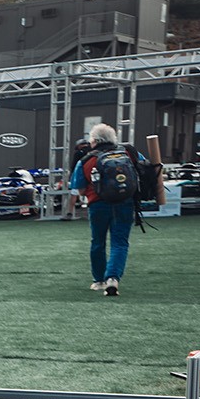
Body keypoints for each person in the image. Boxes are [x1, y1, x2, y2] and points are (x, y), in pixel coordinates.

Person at [70, 123, 141, 296]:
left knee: (98, 242)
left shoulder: (86, 160)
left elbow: (78, 189)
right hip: (125, 202)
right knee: (120, 242)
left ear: (94, 140)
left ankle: (99, 280)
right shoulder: (129, 152)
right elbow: (145, 169)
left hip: (98, 205)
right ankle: (113, 279)